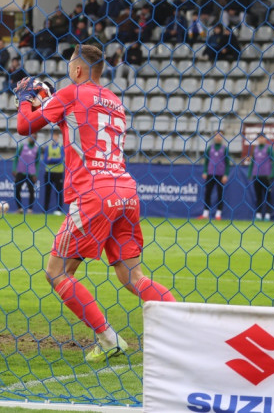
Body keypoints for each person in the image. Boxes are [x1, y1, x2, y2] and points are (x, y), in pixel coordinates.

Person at [15, 44, 175, 363]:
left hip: (94, 193)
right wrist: (47, 100)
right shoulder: (115, 102)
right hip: (125, 191)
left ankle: (108, 339)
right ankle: (185, 333)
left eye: (69, 69)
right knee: (133, 276)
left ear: (76, 70)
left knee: (58, 272)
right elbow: (80, 123)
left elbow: (25, 127)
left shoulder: (71, 92)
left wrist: (24, 101)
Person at [245, 134, 274, 220]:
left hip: (266, 176)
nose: (261, 139)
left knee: (268, 195)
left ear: (265, 139)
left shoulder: (269, 148)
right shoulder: (255, 148)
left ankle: (267, 214)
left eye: (262, 138)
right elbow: (252, 161)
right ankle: (258, 214)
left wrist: (272, 174)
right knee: (258, 195)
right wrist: (249, 173)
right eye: (259, 138)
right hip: (256, 175)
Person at [200, 132, 230, 220]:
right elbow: (206, 161)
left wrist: (226, 174)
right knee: (207, 193)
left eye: (220, 135)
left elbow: (227, 163)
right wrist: (205, 171)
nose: (218, 137)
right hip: (210, 173)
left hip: (220, 174)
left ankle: (218, 214)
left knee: (220, 194)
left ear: (222, 137)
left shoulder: (225, 148)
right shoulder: (210, 148)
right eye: (216, 135)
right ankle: (205, 214)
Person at [42, 131, 65, 214]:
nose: (54, 137)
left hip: (58, 172)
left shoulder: (61, 147)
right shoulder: (48, 147)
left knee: (59, 191)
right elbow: (45, 160)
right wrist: (55, 159)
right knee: (47, 191)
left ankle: (59, 210)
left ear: (58, 137)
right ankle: (45, 210)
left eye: (56, 136)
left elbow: (60, 159)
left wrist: (50, 159)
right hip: (49, 172)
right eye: (53, 136)